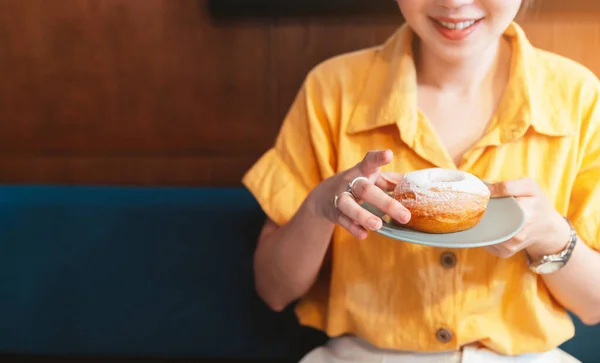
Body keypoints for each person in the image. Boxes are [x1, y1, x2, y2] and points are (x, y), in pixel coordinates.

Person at [242, 0, 600, 361]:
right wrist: (319, 207)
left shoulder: (578, 98)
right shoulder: (331, 90)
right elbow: (273, 290)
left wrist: (554, 236)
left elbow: (595, 307)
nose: (454, 2)